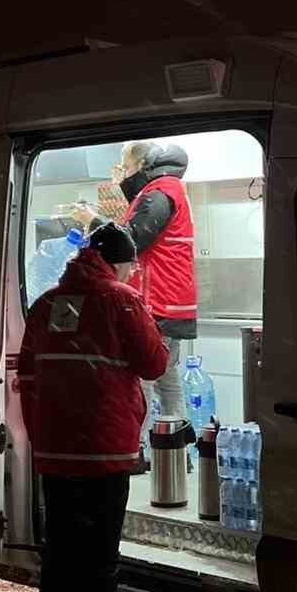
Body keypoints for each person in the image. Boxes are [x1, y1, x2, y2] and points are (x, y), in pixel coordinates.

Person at [18, 221, 170, 592]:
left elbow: (27, 376)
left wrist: (44, 439)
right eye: (130, 266)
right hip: (104, 457)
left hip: (56, 457)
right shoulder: (121, 300)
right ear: (117, 264)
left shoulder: (46, 304)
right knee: (99, 567)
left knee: (60, 563)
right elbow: (154, 363)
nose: (131, 273)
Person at [73, 141, 198, 456]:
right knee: (166, 377)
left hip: (158, 301)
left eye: (125, 168)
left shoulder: (160, 192)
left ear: (144, 165)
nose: (122, 174)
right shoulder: (161, 190)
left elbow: (129, 240)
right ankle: (175, 452)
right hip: (169, 301)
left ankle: (133, 449)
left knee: (140, 378)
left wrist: (93, 221)